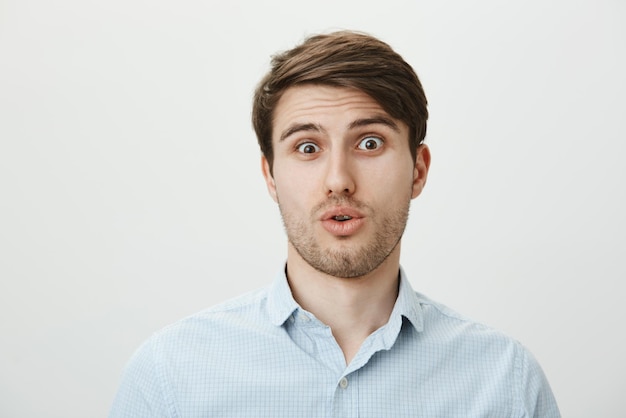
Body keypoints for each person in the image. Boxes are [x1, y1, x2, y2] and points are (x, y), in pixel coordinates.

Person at [109, 30, 560, 417]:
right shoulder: (172, 374)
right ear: (270, 175)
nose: (339, 181)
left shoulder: (505, 380)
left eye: (369, 142)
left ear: (418, 170)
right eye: (307, 147)